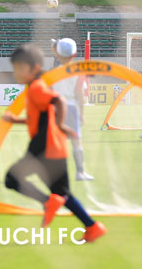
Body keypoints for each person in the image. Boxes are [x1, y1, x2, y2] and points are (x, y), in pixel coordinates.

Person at [0, 45, 107, 240]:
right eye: (15, 68)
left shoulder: (36, 87)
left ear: (34, 68)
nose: (16, 73)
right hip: (55, 148)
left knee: (11, 179)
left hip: (44, 146)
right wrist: (16, 121)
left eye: (20, 68)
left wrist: (61, 124)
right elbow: (40, 117)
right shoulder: (36, 85)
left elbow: (58, 101)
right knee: (63, 194)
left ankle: (47, 202)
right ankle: (92, 227)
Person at [51, 38, 94, 181]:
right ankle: (80, 172)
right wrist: (82, 114)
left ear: (58, 54)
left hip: (57, 107)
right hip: (71, 107)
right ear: (74, 54)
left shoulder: (54, 72)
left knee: (57, 142)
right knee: (76, 141)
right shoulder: (77, 72)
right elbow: (80, 94)